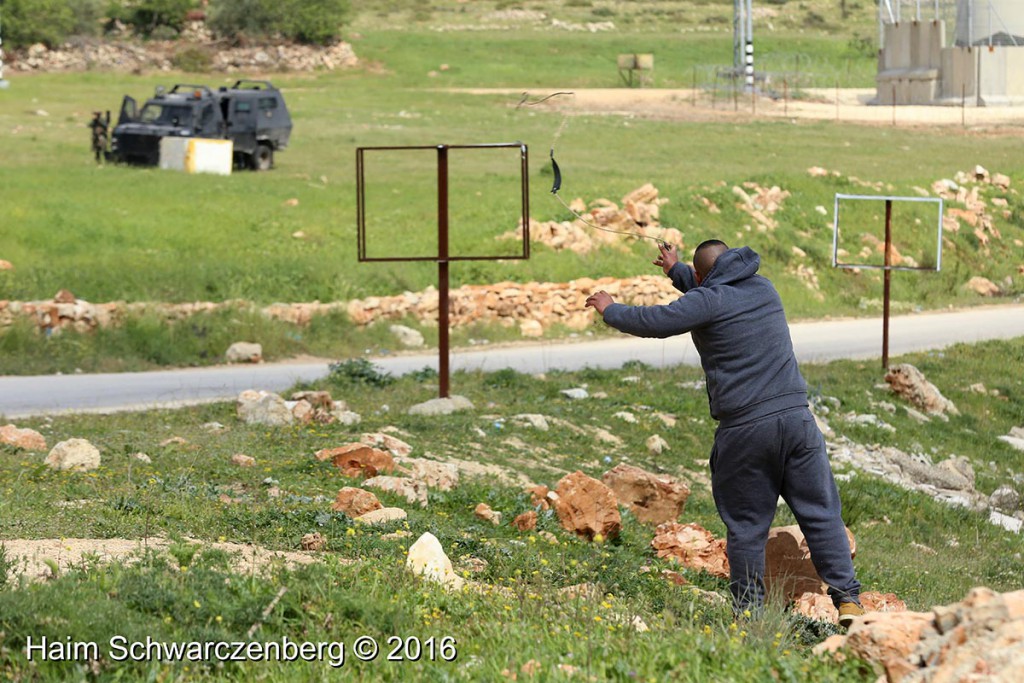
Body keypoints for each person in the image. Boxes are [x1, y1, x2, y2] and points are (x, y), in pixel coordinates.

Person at [585, 239, 864, 627]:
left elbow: (657, 322)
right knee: (821, 513)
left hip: (747, 429)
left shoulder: (707, 301)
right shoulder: (765, 288)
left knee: (748, 526)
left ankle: (748, 615)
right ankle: (848, 600)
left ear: (702, 278)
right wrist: (677, 270)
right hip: (798, 421)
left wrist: (610, 308)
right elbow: (711, 290)